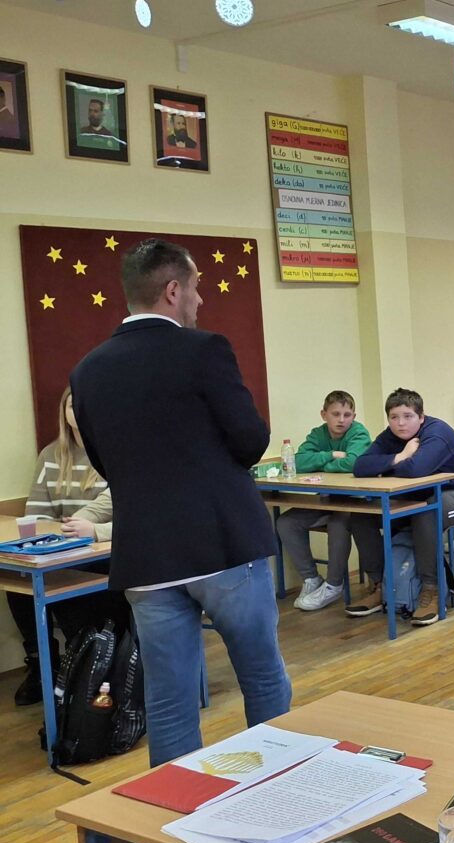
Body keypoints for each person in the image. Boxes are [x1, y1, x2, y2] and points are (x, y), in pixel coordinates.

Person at [70, 237, 288, 766]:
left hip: (146, 556)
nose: (200, 300)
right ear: (173, 290)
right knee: (262, 679)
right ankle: (280, 792)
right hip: (223, 544)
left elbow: (104, 463)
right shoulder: (204, 349)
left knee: (169, 702)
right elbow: (250, 440)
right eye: (196, 287)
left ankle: (178, 806)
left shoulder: (87, 371)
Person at [7, 387, 127, 706]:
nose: (78, 411)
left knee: (71, 593)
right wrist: (54, 538)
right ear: (63, 412)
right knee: (19, 586)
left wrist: (87, 530)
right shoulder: (51, 456)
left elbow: (129, 514)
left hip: (106, 552)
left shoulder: (115, 451)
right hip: (63, 549)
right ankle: (42, 665)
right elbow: (38, 515)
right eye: (72, 405)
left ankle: (82, 669)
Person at [349, 388, 454, 625]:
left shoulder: (437, 433)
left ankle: (431, 589)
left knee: (425, 514)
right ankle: (381, 585)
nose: (400, 423)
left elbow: (417, 469)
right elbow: (360, 467)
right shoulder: (390, 436)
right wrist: (400, 456)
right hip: (415, 497)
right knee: (361, 515)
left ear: (421, 417)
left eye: (407, 416)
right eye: (394, 417)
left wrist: (385, 466)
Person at [274, 390, 375, 611]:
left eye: (347, 415)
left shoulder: (358, 433)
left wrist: (320, 464)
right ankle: (311, 578)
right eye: (335, 414)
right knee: (286, 522)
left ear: (354, 416)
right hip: (325, 501)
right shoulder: (318, 434)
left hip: (355, 504)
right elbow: (298, 462)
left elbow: (353, 463)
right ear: (324, 414)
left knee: (339, 524)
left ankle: (333, 585)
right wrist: (330, 455)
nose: (341, 420)